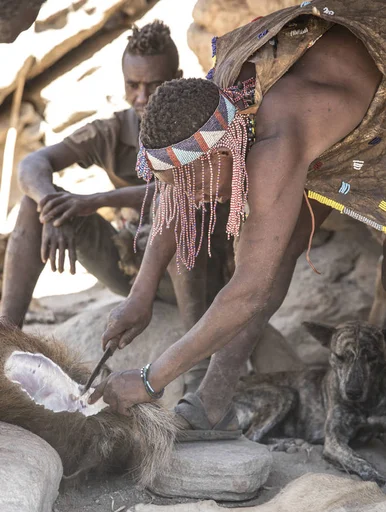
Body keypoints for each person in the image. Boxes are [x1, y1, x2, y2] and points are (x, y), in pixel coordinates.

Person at [90, 0, 386, 436]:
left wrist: (152, 378)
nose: (193, 199)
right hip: (326, 98)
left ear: (223, 150)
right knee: (277, 245)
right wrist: (141, 292)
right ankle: (213, 402)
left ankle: (213, 399)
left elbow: (247, 291)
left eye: (197, 183)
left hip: (369, 112)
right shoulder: (215, 105)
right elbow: (176, 195)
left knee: (268, 258)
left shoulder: (275, 147)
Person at [1, 21, 182, 328]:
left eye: (154, 85)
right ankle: (7, 332)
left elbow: (181, 195)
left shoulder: (198, 124)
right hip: (132, 269)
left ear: (177, 79)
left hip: (192, 270)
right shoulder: (112, 131)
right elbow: (32, 164)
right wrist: (51, 206)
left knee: (179, 221)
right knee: (37, 202)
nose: (142, 97)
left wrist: (98, 200)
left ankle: (198, 365)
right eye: (133, 85)